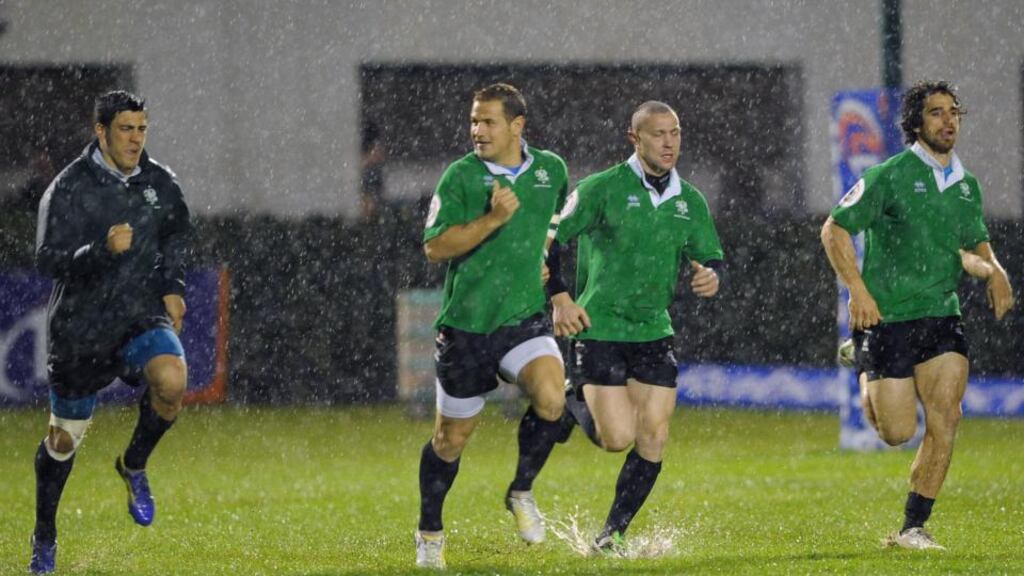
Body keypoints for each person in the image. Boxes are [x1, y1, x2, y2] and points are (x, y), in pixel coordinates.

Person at [821, 80, 1014, 550]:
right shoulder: (890, 174)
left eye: (953, 112)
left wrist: (995, 271)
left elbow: (974, 241)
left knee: (947, 417)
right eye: (936, 113)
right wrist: (858, 291)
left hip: (941, 316)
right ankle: (862, 357)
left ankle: (913, 527)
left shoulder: (966, 185)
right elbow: (834, 229)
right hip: (889, 318)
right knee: (897, 432)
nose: (948, 121)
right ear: (916, 123)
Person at [547, 101, 725, 552]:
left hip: (652, 330)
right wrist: (561, 296)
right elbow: (550, 238)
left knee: (654, 437)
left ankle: (611, 533)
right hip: (599, 326)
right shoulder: (602, 188)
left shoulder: (690, 200)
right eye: (658, 134)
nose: (669, 143)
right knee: (616, 439)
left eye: (676, 133)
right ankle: (571, 397)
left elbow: (709, 255)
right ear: (635, 139)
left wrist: (710, 274)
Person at [29, 90, 193, 573]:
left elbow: (176, 234)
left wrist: (173, 286)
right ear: (100, 131)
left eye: (142, 129)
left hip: (139, 317)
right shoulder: (68, 188)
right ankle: (44, 536)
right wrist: (100, 251)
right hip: (81, 331)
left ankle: (134, 465)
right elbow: (46, 260)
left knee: (172, 381)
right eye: (126, 128)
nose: (136, 138)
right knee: (62, 443)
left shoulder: (160, 182)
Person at [415, 83, 571, 568]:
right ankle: (430, 533)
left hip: (523, 319)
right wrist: (492, 220)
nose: (477, 131)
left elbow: (553, 229)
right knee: (450, 440)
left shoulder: (551, 170)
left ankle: (521, 491)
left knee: (552, 399)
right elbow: (435, 247)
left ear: (517, 126)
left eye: (488, 122)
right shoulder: (461, 177)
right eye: (473, 122)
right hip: (466, 327)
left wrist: (549, 272)